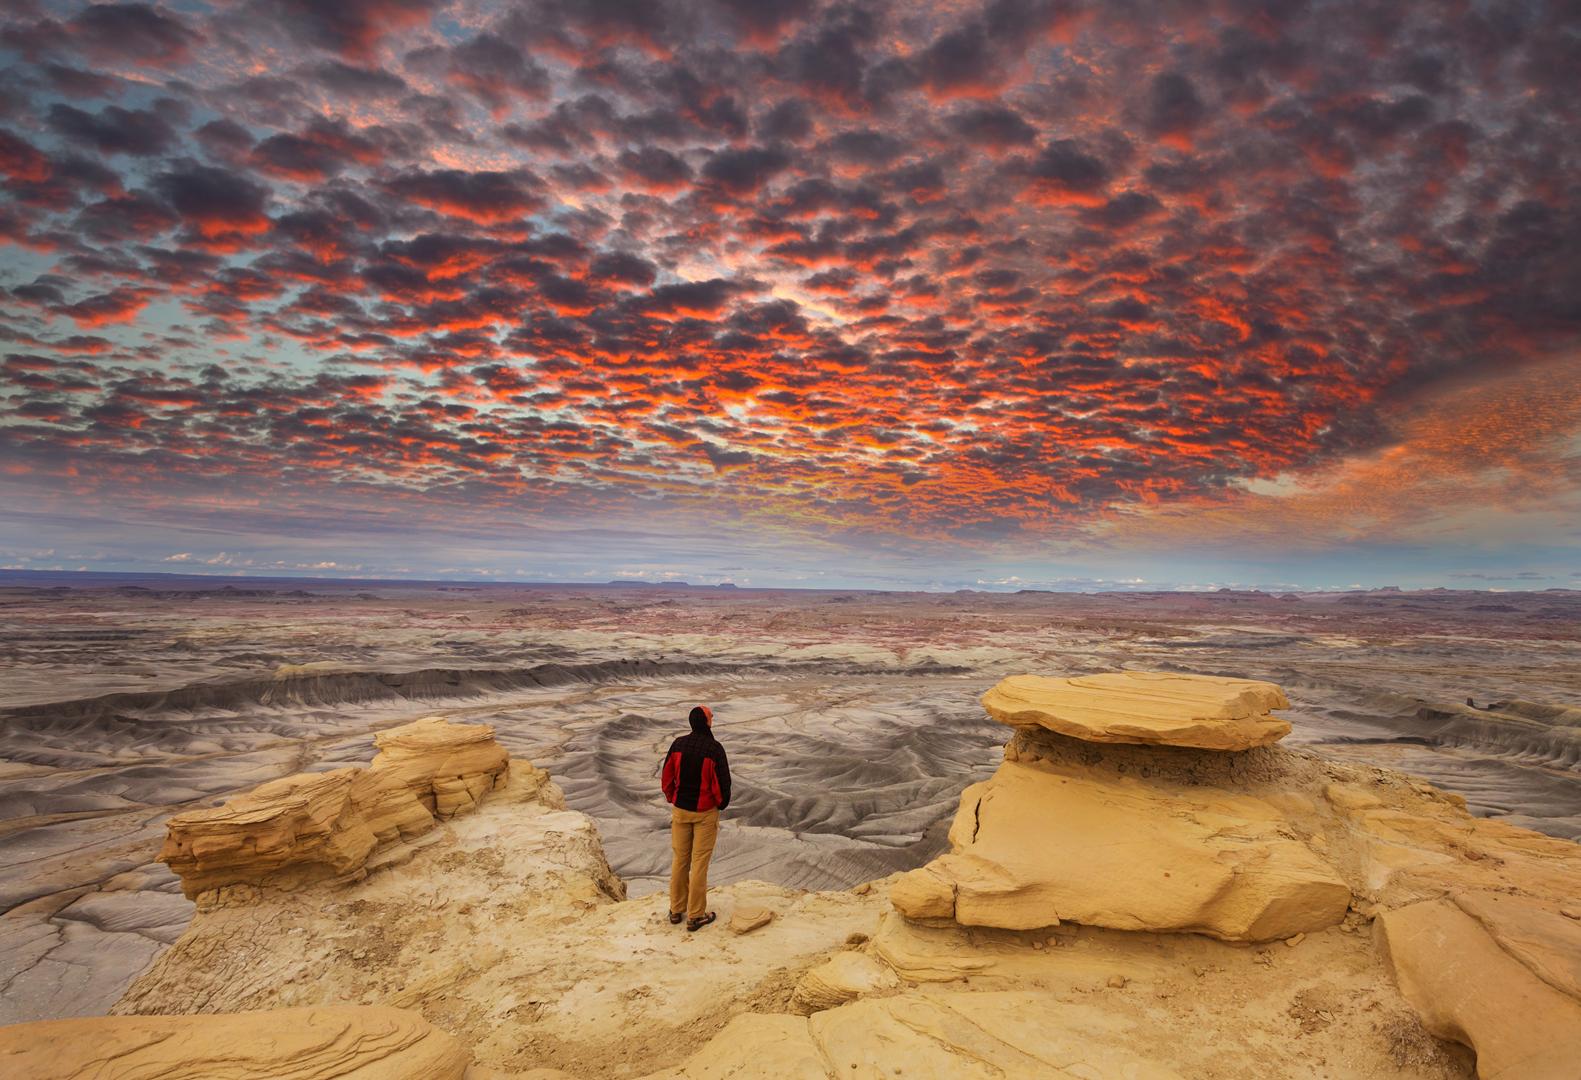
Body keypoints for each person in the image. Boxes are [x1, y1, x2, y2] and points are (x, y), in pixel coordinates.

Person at [660, 704, 731, 931]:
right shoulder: (714, 749)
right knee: (699, 863)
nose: (713, 718)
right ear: (707, 722)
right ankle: (696, 915)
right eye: (711, 716)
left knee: (680, 860)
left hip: (681, 811)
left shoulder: (678, 744)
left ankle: (676, 909)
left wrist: (673, 798)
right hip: (704, 813)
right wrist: (720, 805)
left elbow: (667, 776)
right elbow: (722, 784)